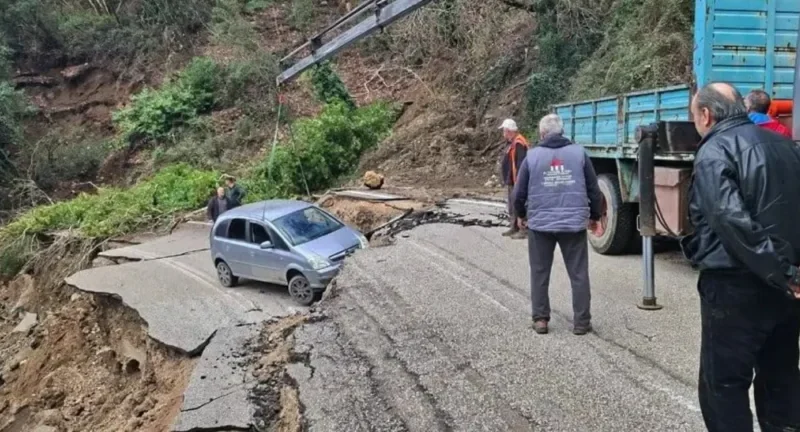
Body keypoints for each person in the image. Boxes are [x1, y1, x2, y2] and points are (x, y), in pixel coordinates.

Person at [680, 82, 800, 432]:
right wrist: (790, 274)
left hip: (735, 285)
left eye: (694, 116)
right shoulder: (785, 145)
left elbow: (731, 220)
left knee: (724, 385)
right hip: (786, 288)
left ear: (706, 115)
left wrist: (782, 272)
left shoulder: (714, 150)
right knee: (781, 377)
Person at [512, 114, 603, 336]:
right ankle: (581, 322)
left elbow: (518, 193)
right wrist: (594, 216)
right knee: (579, 274)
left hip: (540, 225)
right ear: (562, 131)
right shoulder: (579, 153)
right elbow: (594, 189)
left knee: (539, 272)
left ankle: (541, 320)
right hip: (573, 225)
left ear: (542, 133)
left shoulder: (532, 156)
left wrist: (521, 215)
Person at [498, 118, 530, 240]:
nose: (503, 134)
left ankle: (523, 229)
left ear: (509, 131)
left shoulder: (519, 143)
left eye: (504, 131)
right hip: (512, 180)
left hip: (517, 181)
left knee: (519, 204)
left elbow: (521, 164)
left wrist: (520, 182)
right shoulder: (513, 143)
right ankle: (514, 227)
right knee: (512, 205)